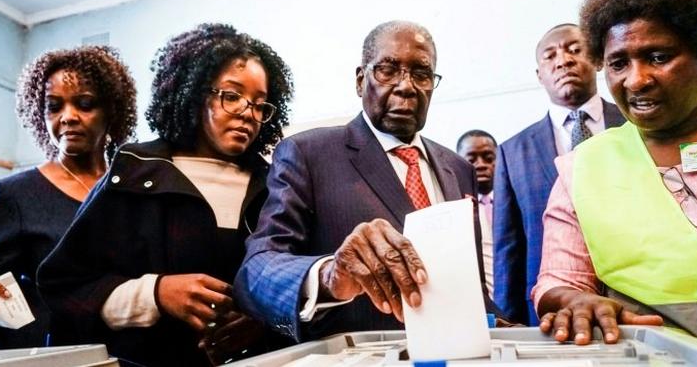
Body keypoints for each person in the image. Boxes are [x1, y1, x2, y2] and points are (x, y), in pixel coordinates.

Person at [37, 23, 294, 366]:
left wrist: (262, 324)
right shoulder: (133, 171)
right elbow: (66, 288)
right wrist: (156, 293)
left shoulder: (275, 183)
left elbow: (297, 291)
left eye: (260, 104)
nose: (248, 113)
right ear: (194, 93)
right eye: (231, 96)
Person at [235, 20, 501, 342]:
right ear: (361, 81)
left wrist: (503, 325)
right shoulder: (308, 153)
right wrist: (329, 274)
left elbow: (467, 281)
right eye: (387, 70)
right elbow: (257, 270)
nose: (406, 86)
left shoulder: (457, 168)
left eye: (421, 74)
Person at [533, 0, 697, 344]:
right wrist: (575, 300)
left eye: (657, 56)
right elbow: (557, 280)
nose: (636, 80)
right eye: (618, 63)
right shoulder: (581, 168)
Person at [0, 46, 138, 348]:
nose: (68, 117)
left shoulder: (131, 191)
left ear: (112, 110)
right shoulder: (14, 195)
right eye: (54, 106)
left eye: (85, 103)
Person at [492, 24, 625, 325]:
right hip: (551, 314)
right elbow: (508, 252)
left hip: (634, 305)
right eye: (550, 56)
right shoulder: (512, 152)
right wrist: (509, 326)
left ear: (595, 58)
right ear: (539, 75)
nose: (563, 61)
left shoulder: (637, 126)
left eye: (574, 50)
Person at [456, 130, 497, 298]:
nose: (480, 165)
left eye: (488, 158)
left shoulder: (517, 201)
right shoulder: (453, 209)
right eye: (471, 160)